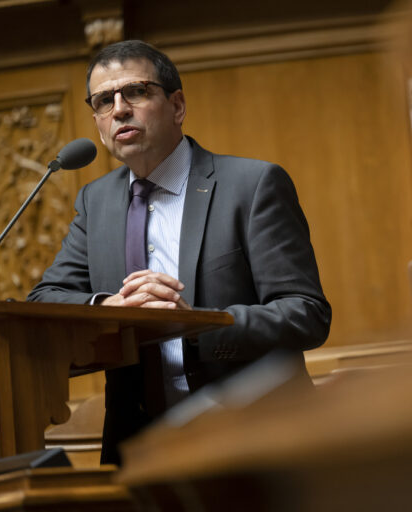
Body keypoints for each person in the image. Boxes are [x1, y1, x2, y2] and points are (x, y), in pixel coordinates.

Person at [27, 40, 331, 465]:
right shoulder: (95, 202)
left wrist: (195, 324)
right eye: (103, 100)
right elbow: (44, 299)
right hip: (142, 451)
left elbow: (306, 314)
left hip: (257, 439)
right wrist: (112, 306)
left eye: (135, 92)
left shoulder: (252, 184)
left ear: (177, 105)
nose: (119, 109)